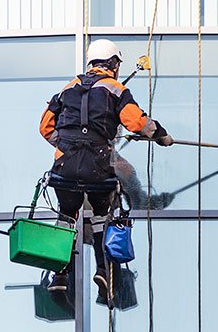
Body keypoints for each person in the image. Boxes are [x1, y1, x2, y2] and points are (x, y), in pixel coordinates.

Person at [38, 39, 173, 296]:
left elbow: (45, 127)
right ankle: (102, 270)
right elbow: (136, 122)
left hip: (64, 167)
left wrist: (66, 145)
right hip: (98, 168)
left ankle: (60, 275)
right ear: (112, 63)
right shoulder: (116, 89)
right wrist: (160, 134)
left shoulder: (67, 89)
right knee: (101, 215)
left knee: (67, 216)